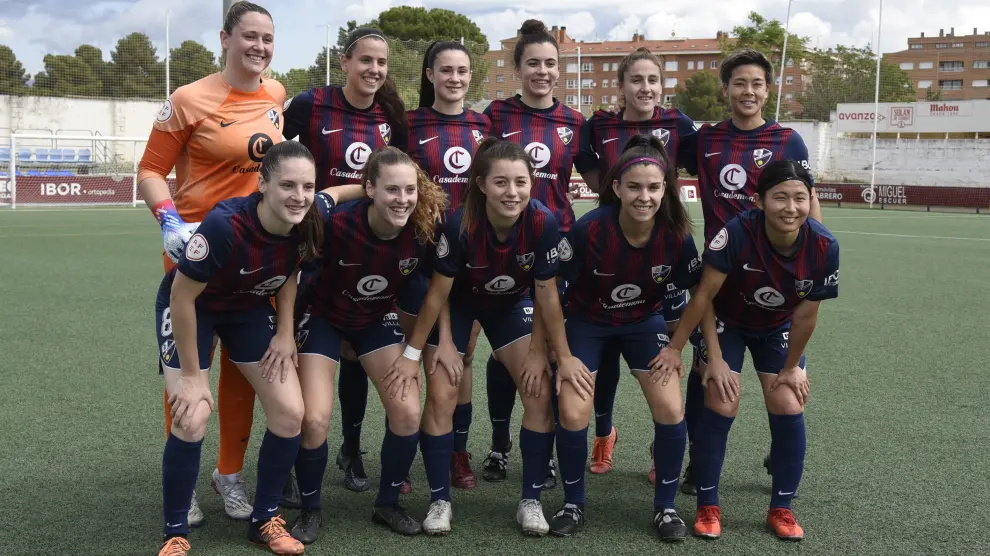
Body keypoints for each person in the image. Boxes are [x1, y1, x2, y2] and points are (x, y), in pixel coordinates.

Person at [386, 139, 588, 536]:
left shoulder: (542, 222)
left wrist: (545, 353)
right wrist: (430, 346)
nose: (512, 192)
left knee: (539, 390)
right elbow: (439, 292)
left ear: (532, 183)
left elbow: (546, 295)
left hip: (511, 306)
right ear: (480, 183)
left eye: (520, 182)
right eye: (501, 182)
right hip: (459, 307)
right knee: (442, 390)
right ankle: (440, 500)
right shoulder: (459, 224)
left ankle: (530, 500)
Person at [138, 0, 284, 524]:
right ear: (225, 39)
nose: (259, 47)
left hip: (255, 259)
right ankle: (185, 484)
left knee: (243, 373)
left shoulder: (276, 94)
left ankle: (229, 474)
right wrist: (169, 219)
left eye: (267, 38)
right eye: (249, 36)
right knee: (187, 372)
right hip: (196, 255)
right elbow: (151, 169)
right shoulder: (187, 99)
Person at [155, 141, 328, 556]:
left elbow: (289, 274)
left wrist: (285, 332)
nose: (299, 196)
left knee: (291, 413)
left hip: (248, 306)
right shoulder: (223, 225)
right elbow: (181, 299)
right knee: (192, 414)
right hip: (194, 308)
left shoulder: (308, 217)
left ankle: (264, 519)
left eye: (307, 186)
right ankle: (175, 532)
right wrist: (195, 378)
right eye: (287, 185)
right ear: (263, 183)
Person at [652, 160, 840, 541]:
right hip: (727, 323)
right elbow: (703, 296)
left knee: (789, 402)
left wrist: (792, 368)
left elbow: (806, 316)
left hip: (776, 327)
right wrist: (711, 356)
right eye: (780, 197)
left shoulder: (823, 246)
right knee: (723, 400)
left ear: (810, 201)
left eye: (800, 198)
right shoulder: (736, 232)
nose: (791, 207)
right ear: (759, 200)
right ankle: (707, 504)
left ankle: (782, 508)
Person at [678, 48, 823, 494]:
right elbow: (656, 153)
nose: (748, 91)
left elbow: (806, 198)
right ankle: (696, 463)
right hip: (721, 279)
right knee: (707, 374)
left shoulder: (788, 140)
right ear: (726, 90)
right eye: (739, 83)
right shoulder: (703, 139)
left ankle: (782, 459)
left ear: (768, 89)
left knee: (783, 379)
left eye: (757, 83)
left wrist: (813, 253)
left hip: (776, 279)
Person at [290, 146, 447, 540]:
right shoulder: (335, 224)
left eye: (409, 190)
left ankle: (387, 504)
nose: (403, 199)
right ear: (369, 190)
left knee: (408, 411)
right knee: (313, 419)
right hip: (324, 320)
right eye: (392, 190)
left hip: (376, 320)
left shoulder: (423, 229)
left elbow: (436, 290)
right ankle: (310, 509)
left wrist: (414, 353)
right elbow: (295, 278)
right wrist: (286, 335)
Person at [551, 135, 701, 541]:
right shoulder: (589, 230)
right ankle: (573, 503)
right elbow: (549, 288)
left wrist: (675, 347)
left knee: (671, 409)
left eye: (654, 188)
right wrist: (560, 353)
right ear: (615, 187)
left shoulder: (676, 235)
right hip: (587, 324)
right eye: (634, 187)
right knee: (572, 412)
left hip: (644, 325)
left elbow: (701, 293)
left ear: (666, 188)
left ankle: (666, 508)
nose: (644, 196)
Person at [282, 27, 409, 495]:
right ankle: (295, 458)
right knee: (301, 355)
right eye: (366, 60)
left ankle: (351, 449)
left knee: (357, 355)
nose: (374, 70)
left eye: (381, 62)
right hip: (311, 247)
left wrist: (341, 194)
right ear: (345, 61)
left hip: (366, 246)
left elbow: (396, 177)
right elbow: (277, 161)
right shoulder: (309, 105)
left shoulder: (390, 116)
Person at [573, 46, 698, 479]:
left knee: (663, 354)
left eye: (652, 81)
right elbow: (591, 172)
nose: (645, 88)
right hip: (609, 247)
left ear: (661, 86)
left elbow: (701, 164)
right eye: (636, 80)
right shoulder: (600, 126)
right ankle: (604, 434)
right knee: (604, 354)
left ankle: (659, 445)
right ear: (621, 86)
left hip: (660, 249)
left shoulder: (678, 124)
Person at [481, 18, 584, 489]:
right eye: (533, 64)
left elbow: (605, 180)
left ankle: (542, 450)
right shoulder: (496, 116)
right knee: (505, 350)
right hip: (499, 246)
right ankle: (500, 446)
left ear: (558, 70)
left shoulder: (574, 122)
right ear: (517, 67)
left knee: (541, 349)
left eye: (550, 64)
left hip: (553, 249)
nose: (542, 71)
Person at [405, 40, 492, 490]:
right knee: (413, 355)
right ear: (430, 75)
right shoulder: (409, 124)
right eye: (446, 71)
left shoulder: (484, 125)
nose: (455, 79)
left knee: (462, 357)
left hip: (470, 264)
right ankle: (401, 450)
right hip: (417, 261)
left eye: (462, 71)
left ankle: (457, 451)